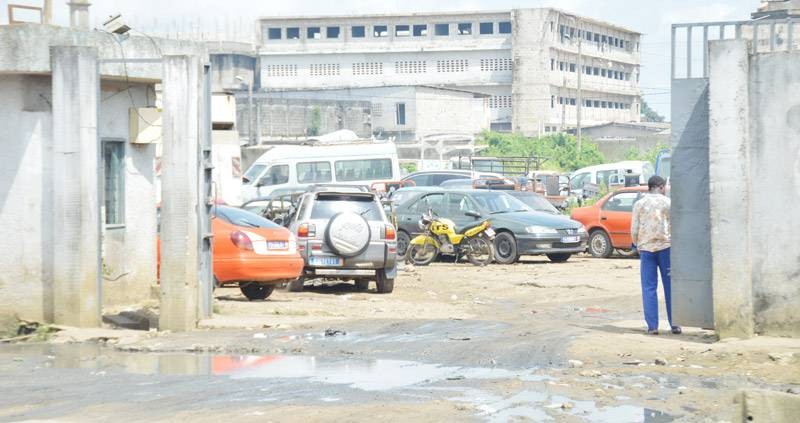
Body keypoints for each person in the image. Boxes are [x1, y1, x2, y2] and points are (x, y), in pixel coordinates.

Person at [631, 175, 680, 335]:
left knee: (649, 287)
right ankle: (675, 325)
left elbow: (634, 228)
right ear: (661, 186)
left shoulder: (639, 204)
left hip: (646, 250)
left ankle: (653, 326)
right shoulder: (668, 202)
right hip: (666, 247)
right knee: (670, 286)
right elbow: (674, 225)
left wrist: (637, 244)